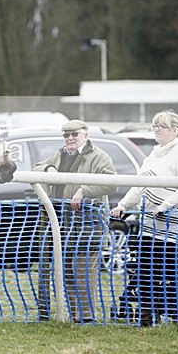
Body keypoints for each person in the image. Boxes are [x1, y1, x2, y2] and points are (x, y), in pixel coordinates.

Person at [110, 110, 178, 326]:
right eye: (154, 125)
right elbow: (140, 186)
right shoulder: (154, 154)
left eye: (161, 126)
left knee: (177, 274)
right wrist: (123, 205)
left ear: (175, 130)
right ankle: (147, 314)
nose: (156, 129)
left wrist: (165, 205)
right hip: (151, 226)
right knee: (144, 270)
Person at [33, 120, 118, 323]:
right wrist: (49, 169)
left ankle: (87, 318)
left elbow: (112, 181)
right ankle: (76, 316)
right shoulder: (60, 154)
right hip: (63, 222)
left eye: (74, 134)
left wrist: (84, 190)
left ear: (85, 135)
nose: (69, 138)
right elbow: (37, 167)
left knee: (83, 271)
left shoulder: (99, 156)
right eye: (66, 135)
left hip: (88, 223)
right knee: (67, 271)